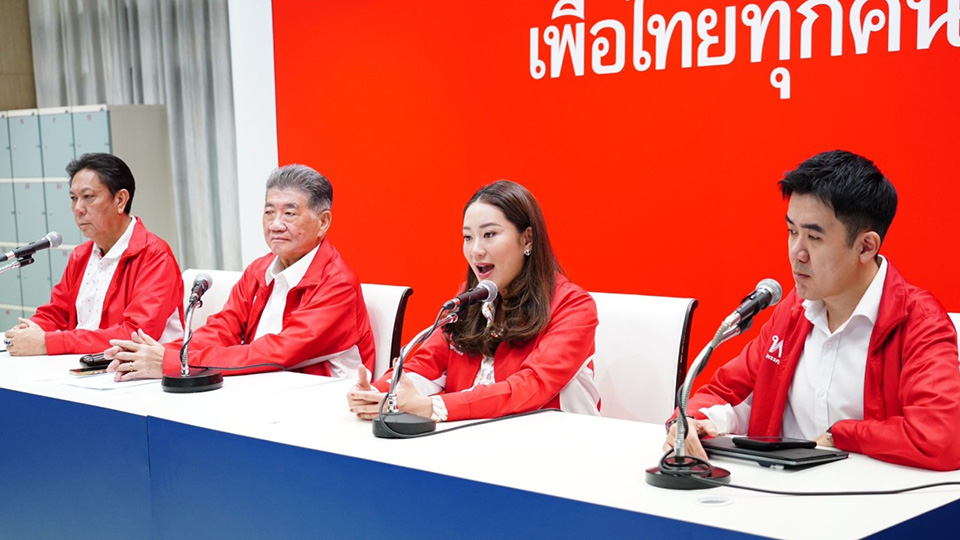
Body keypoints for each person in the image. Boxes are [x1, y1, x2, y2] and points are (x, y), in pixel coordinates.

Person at [663, 150, 960, 471]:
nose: (797, 252)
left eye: (814, 237)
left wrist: (840, 435)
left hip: (871, 496)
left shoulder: (919, 322)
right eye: (792, 232)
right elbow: (724, 394)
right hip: (782, 492)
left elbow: (940, 437)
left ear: (866, 246)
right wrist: (690, 422)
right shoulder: (792, 311)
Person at [347, 180, 600, 422]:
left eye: (489, 234)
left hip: (553, 442)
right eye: (468, 237)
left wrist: (433, 407)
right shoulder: (470, 301)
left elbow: (530, 386)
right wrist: (378, 393)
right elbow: (426, 365)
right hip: (473, 437)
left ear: (527, 239)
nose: (476, 250)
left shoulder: (573, 306)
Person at [105, 164, 375, 380]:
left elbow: (279, 353)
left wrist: (177, 362)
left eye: (289, 214)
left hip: (322, 399)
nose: (275, 224)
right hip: (264, 384)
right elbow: (224, 329)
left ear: (323, 222)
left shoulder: (337, 284)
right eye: (269, 212)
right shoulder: (259, 269)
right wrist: (163, 352)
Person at [3, 153, 183, 356]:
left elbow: (135, 334)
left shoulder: (155, 255)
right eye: (73, 198)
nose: (78, 209)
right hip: (85, 363)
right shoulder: (81, 255)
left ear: (120, 200)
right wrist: (29, 331)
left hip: (139, 369)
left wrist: (48, 343)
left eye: (88, 197)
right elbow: (56, 313)